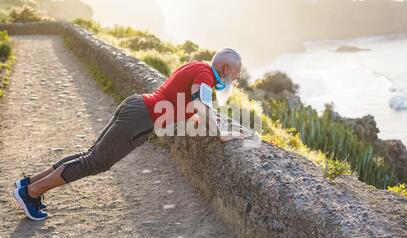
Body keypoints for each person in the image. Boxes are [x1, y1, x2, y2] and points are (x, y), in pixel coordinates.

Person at [13, 48, 244, 221]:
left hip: (138, 105)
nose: (237, 78)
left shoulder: (197, 66)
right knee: (95, 162)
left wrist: (196, 118)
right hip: (140, 118)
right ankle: (31, 192)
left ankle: (29, 184)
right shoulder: (205, 76)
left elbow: (182, 100)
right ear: (225, 69)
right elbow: (199, 105)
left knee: (89, 155)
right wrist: (220, 134)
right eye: (236, 73)